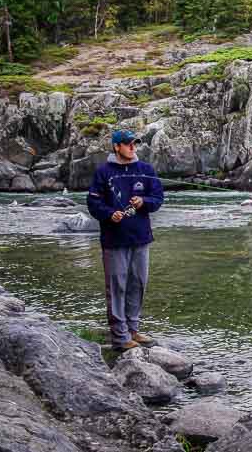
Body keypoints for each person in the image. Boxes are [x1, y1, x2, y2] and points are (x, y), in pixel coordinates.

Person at [87, 129, 165, 351]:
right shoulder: (103, 172)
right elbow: (93, 203)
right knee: (117, 287)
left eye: (135, 144)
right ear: (117, 147)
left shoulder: (146, 170)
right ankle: (120, 338)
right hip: (114, 240)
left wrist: (143, 202)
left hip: (141, 238)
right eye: (128, 144)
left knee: (138, 284)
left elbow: (158, 198)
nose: (133, 147)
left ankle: (133, 329)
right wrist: (109, 214)